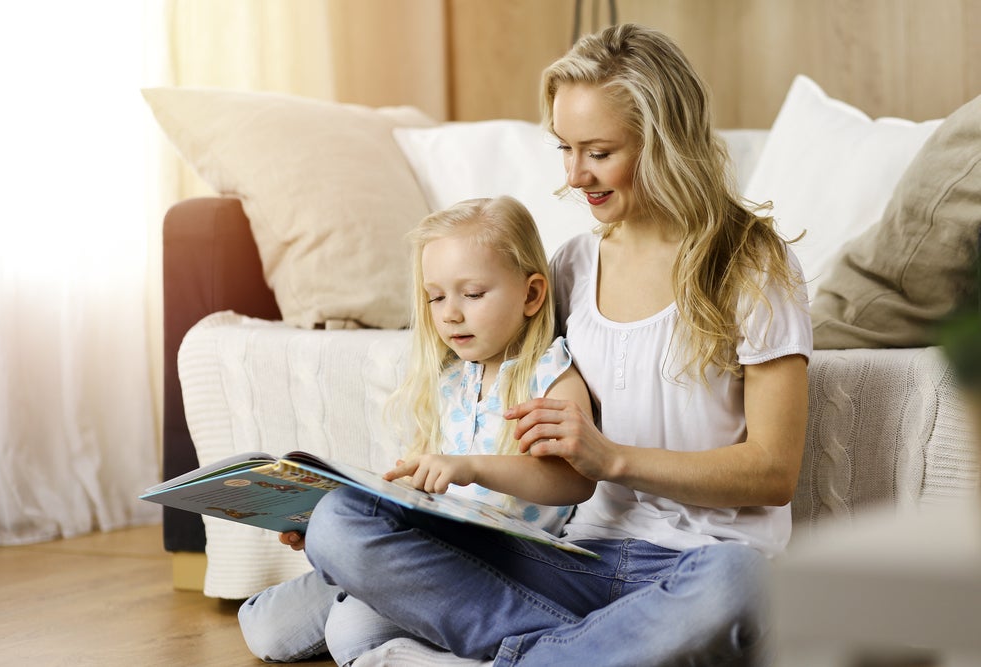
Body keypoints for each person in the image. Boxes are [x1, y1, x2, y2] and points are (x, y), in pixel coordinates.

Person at [305, 23, 813, 667]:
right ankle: (583, 653)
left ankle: (520, 652)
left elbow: (773, 473)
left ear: (664, 142)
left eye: (598, 152)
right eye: (565, 149)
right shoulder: (572, 267)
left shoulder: (752, 267)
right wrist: (419, 500)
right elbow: (503, 400)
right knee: (339, 525)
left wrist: (613, 459)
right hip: (573, 561)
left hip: (700, 567)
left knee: (743, 588)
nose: (575, 176)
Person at [238, 195, 595, 664]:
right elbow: (417, 487)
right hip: (418, 548)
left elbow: (574, 480)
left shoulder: (550, 377)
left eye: (472, 294)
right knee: (262, 627)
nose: (450, 313)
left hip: (493, 564)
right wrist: (329, 528)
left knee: (352, 635)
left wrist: (470, 467)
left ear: (531, 295)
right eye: (436, 296)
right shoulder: (447, 380)